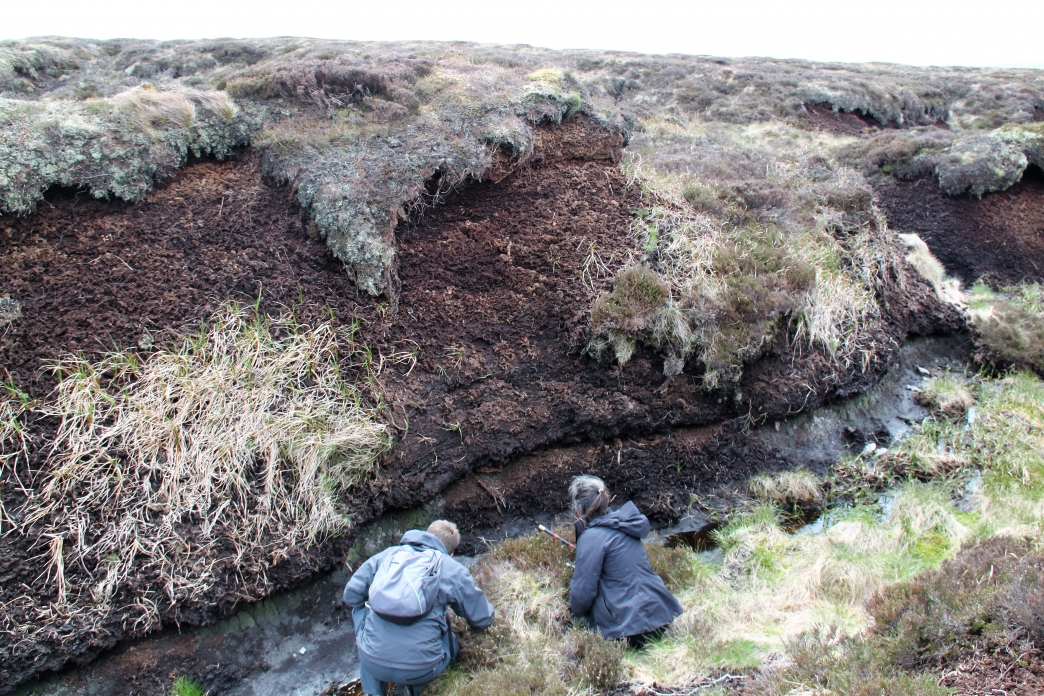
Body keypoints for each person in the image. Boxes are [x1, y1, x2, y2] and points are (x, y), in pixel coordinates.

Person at [343, 520, 494, 695]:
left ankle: (373, 691)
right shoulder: (453, 569)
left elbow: (351, 595)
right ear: (450, 554)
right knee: (450, 641)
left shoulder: (387, 556)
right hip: (421, 669)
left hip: (372, 661)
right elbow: (482, 618)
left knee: (359, 610)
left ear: (426, 535)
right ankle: (410, 688)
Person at [568, 475, 683, 647]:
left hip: (627, 630)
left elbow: (582, 594)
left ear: (579, 509)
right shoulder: (626, 523)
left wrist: (575, 613)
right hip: (662, 617)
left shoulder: (591, 537)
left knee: (582, 611)